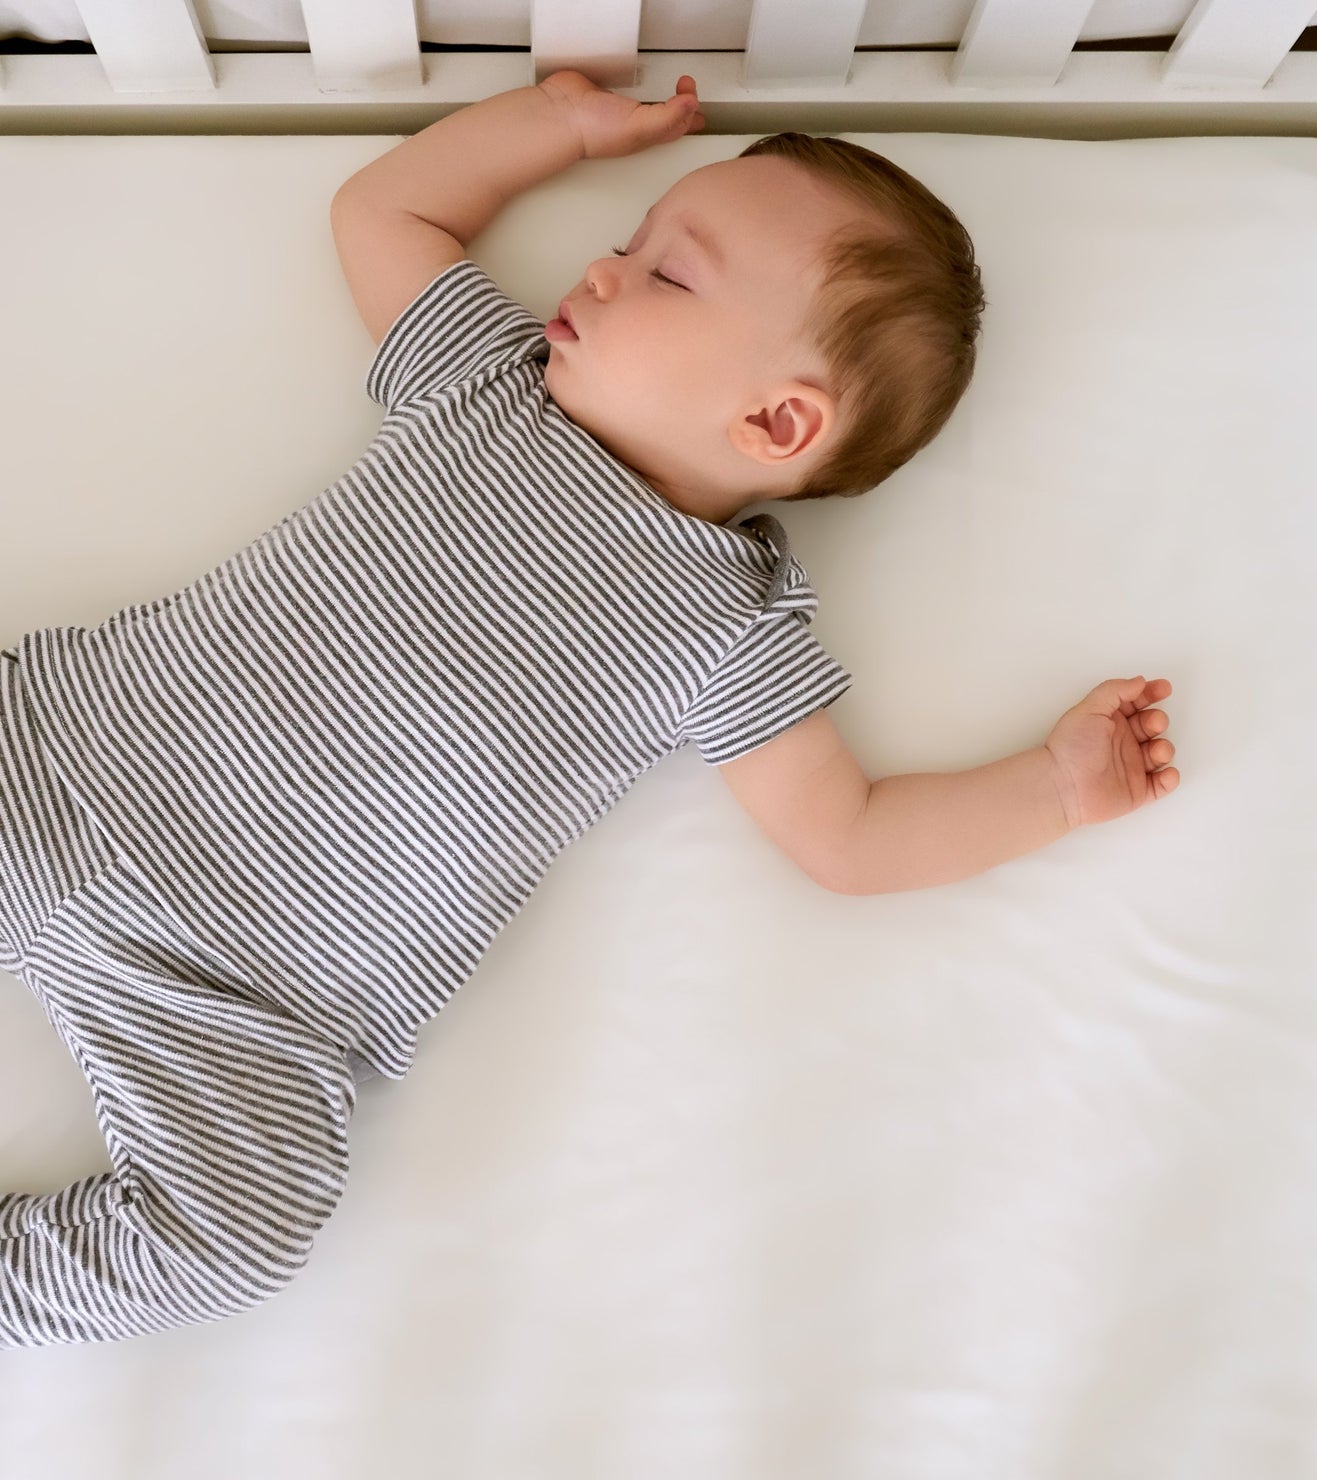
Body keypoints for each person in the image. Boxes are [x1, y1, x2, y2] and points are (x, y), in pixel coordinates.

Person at [0, 71, 1178, 1349]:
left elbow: (848, 833)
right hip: (69, 762)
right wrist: (552, 129)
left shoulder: (730, 627)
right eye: (626, 240)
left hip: (247, 988)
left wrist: (1054, 788)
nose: (601, 270)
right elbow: (384, 215)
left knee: (247, 1227)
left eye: (668, 275)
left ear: (779, 420)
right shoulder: (491, 386)